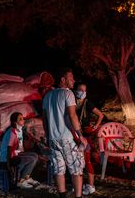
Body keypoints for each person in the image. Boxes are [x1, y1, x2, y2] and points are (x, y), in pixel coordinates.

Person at [42, 68, 87, 198]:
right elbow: (72, 116)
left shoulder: (47, 96)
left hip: (53, 139)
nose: (73, 80)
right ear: (63, 79)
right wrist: (80, 135)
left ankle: (62, 196)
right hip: (67, 138)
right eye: (71, 78)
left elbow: (45, 120)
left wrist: (48, 136)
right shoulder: (68, 94)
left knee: (58, 169)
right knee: (76, 169)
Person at [74, 82, 104, 195]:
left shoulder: (87, 103)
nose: (82, 92)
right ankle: (79, 185)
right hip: (74, 135)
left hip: (85, 136)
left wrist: (94, 127)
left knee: (86, 160)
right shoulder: (72, 103)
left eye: (84, 90)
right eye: (80, 89)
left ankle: (90, 185)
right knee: (77, 161)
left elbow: (100, 115)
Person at [0, 112, 40, 189]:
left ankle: (26, 178)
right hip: (7, 157)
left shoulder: (19, 130)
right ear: (15, 122)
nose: (23, 120)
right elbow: (9, 149)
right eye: (20, 119)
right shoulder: (12, 132)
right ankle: (20, 181)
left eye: (23, 118)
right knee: (30, 158)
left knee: (34, 156)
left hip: (15, 154)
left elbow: (20, 147)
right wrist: (8, 164)